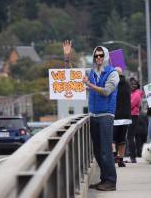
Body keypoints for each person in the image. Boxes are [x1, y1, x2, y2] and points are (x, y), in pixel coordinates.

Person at [63, 41, 119, 191]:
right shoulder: (90, 72)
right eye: (96, 55)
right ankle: (104, 180)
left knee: (106, 150)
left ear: (106, 56)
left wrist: (89, 85)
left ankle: (111, 181)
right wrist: (67, 57)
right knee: (97, 150)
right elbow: (71, 75)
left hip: (106, 115)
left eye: (101, 55)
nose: (98, 58)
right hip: (93, 115)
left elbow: (106, 91)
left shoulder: (113, 73)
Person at [112, 67, 131, 167]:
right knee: (122, 139)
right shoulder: (127, 84)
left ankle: (114, 156)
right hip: (126, 116)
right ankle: (121, 159)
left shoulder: (113, 84)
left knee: (113, 138)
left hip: (115, 115)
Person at [128, 78, 144, 163]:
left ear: (137, 85)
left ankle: (133, 156)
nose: (132, 86)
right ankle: (132, 156)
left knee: (130, 137)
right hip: (131, 116)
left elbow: (130, 105)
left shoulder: (137, 94)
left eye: (134, 84)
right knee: (130, 137)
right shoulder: (133, 93)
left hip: (133, 116)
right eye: (131, 84)